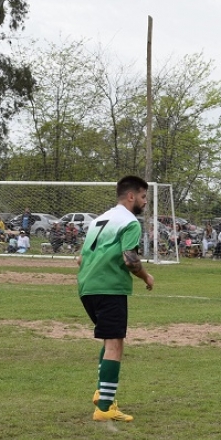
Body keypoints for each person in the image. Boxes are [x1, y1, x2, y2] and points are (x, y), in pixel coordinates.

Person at [78, 175, 155, 423]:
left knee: (110, 341)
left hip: (87, 287)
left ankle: (103, 391)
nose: (145, 202)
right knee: (115, 345)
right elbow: (129, 259)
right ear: (131, 196)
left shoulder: (100, 219)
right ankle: (104, 408)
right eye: (143, 197)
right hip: (109, 287)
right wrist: (146, 276)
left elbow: (80, 258)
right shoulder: (130, 223)